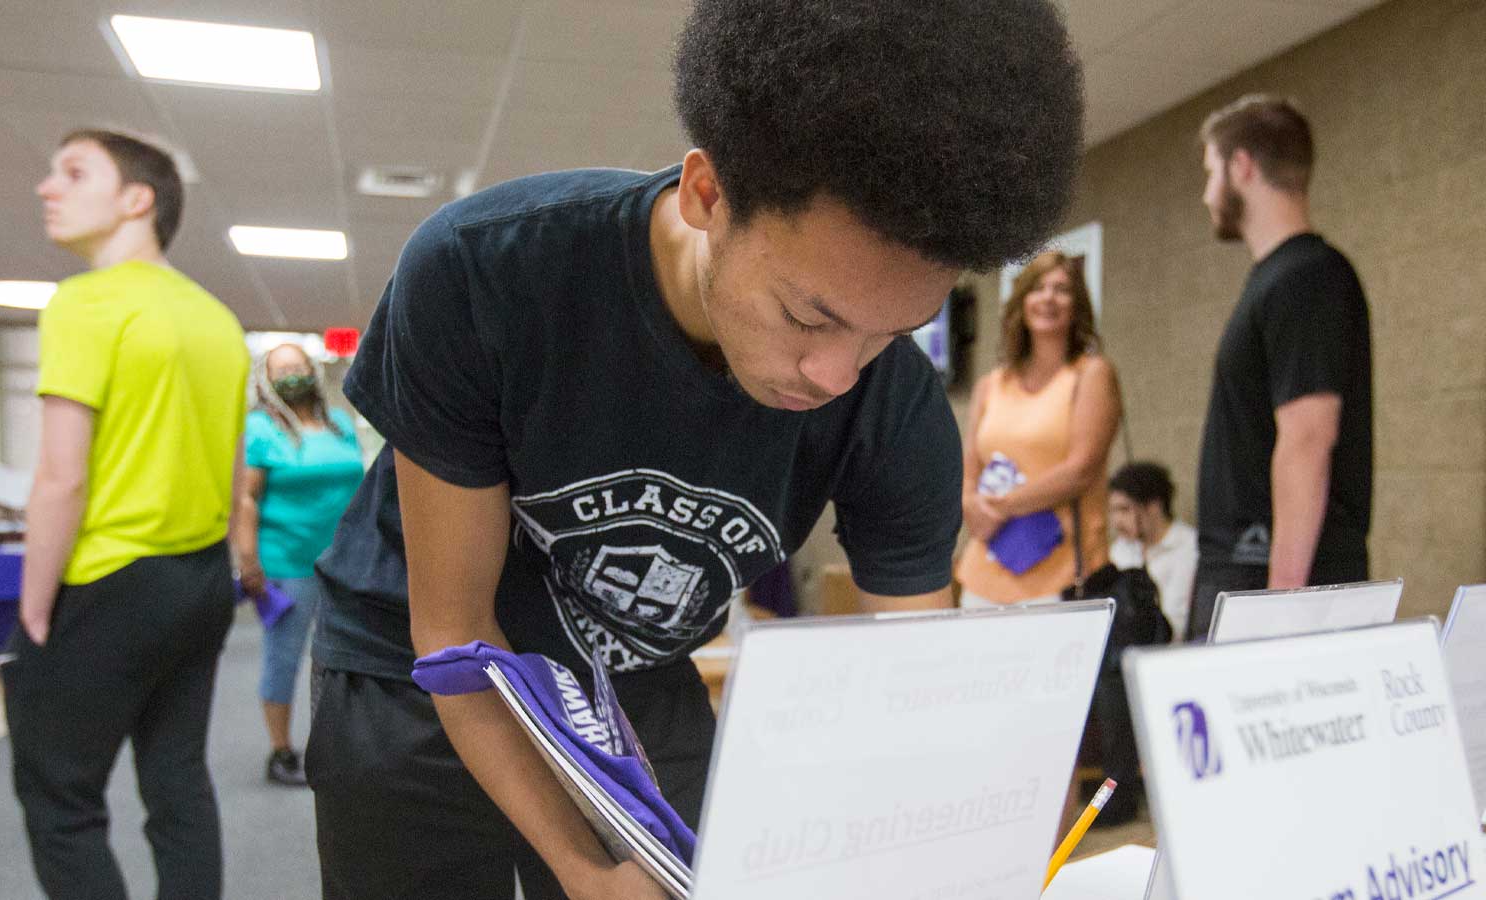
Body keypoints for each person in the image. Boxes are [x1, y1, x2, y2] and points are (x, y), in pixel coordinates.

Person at [303, 2, 1085, 897]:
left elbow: (911, 688)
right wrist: (580, 870)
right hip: (420, 671)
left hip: (632, 677)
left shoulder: (893, 403)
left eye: (887, 334)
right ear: (706, 194)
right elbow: (452, 633)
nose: (835, 374)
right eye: (808, 315)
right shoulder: (489, 270)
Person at [6, 128, 247, 900]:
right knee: (177, 782)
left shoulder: (84, 302)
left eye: (73, 172)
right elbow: (236, 473)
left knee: (62, 803)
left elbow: (60, 478)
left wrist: (34, 605)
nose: (48, 186)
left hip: (108, 579)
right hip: (200, 581)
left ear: (137, 199)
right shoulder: (217, 317)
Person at [1188, 94, 1374, 639]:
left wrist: (1281, 608)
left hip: (1266, 584)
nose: (1206, 194)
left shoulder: (1306, 278)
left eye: (1210, 172)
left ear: (1241, 166)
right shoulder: (1280, 279)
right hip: (1244, 574)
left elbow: (1308, 440)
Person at [229, 342, 365, 787]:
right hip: (286, 562)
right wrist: (248, 560)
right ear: (266, 380)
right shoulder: (261, 430)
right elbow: (246, 498)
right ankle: (282, 750)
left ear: (313, 370)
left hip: (345, 562)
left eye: (297, 366)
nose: (291, 375)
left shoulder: (340, 424)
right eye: (280, 369)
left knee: (345, 657)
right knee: (285, 657)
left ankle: (337, 745)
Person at [956, 251, 1122, 607]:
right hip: (984, 577)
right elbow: (969, 470)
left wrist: (999, 507)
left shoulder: (1090, 375)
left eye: (1061, 289)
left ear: (1077, 305)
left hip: (1061, 578)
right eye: (1038, 288)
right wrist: (972, 506)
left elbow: (1080, 470)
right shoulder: (991, 384)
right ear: (1021, 301)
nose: (1048, 297)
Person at [1107, 461, 1199, 641]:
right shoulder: (1121, 549)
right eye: (1113, 511)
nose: (1116, 521)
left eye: (1125, 509)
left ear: (1154, 506)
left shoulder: (1188, 547)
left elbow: (1178, 621)